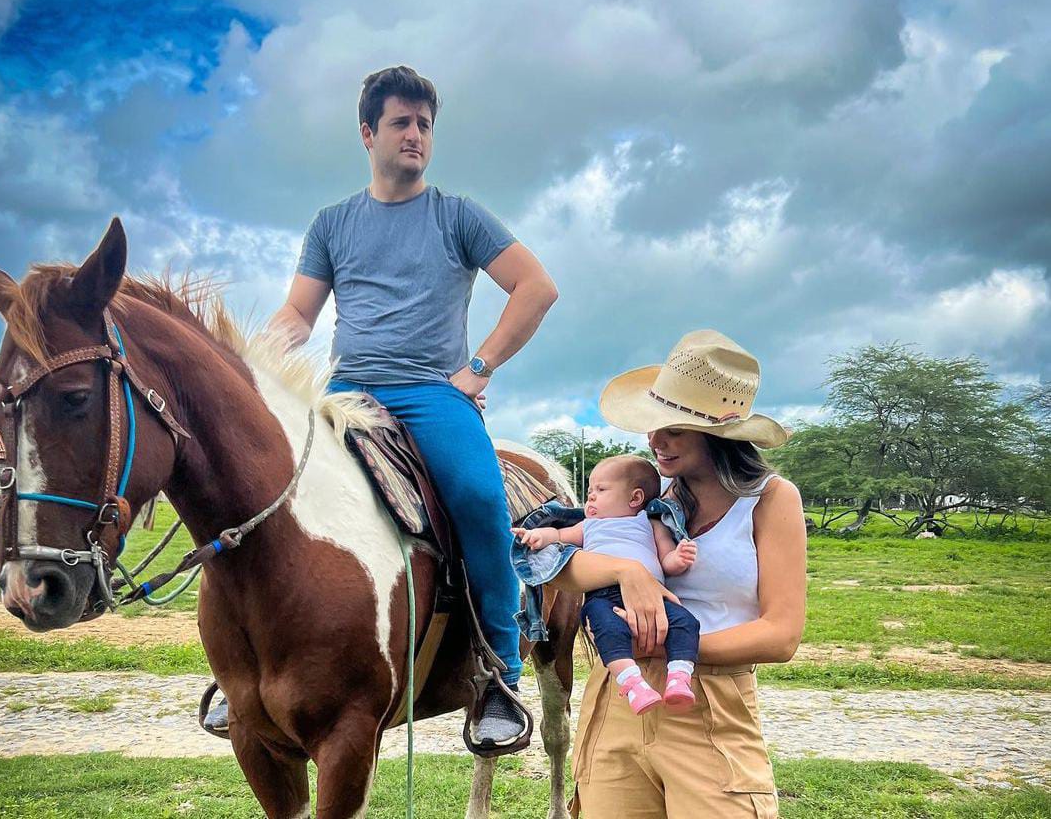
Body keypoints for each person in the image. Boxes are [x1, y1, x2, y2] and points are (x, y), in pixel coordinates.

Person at [204, 66, 558, 747]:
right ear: (368, 133)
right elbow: (300, 316)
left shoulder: (458, 215)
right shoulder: (333, 224)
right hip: (345, 395)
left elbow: (536, 287)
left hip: (433, 394)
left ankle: (499, 674)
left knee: (481, 498)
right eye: (401, 122)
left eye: (425, 124)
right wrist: (251, 361)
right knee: (266, 486)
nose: (416, 134)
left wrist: (478, 367)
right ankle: (244, 671)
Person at [550, 330, 807, 818]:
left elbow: (781, 635)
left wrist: (671, 646)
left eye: (674, 428)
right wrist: (628, 571)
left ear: (718, 433)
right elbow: (557, 566)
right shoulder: (643, 493)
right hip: (619, 697)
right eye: (653, 426)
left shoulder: (771, 500)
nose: (655, 441)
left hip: (707, 699)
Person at [513, 455, 700, 714]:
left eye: (600, 490)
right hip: (604, 597)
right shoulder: (588, 526)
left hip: (654, 594)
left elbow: (665, 559)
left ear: (635, 498)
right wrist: (535, 535)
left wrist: (678, 558)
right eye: (590, 491)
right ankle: (633, 683)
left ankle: (679, 676)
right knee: (608, 631)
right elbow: (557, 535)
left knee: (686, 622)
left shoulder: (650, 524)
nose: (590, 497)